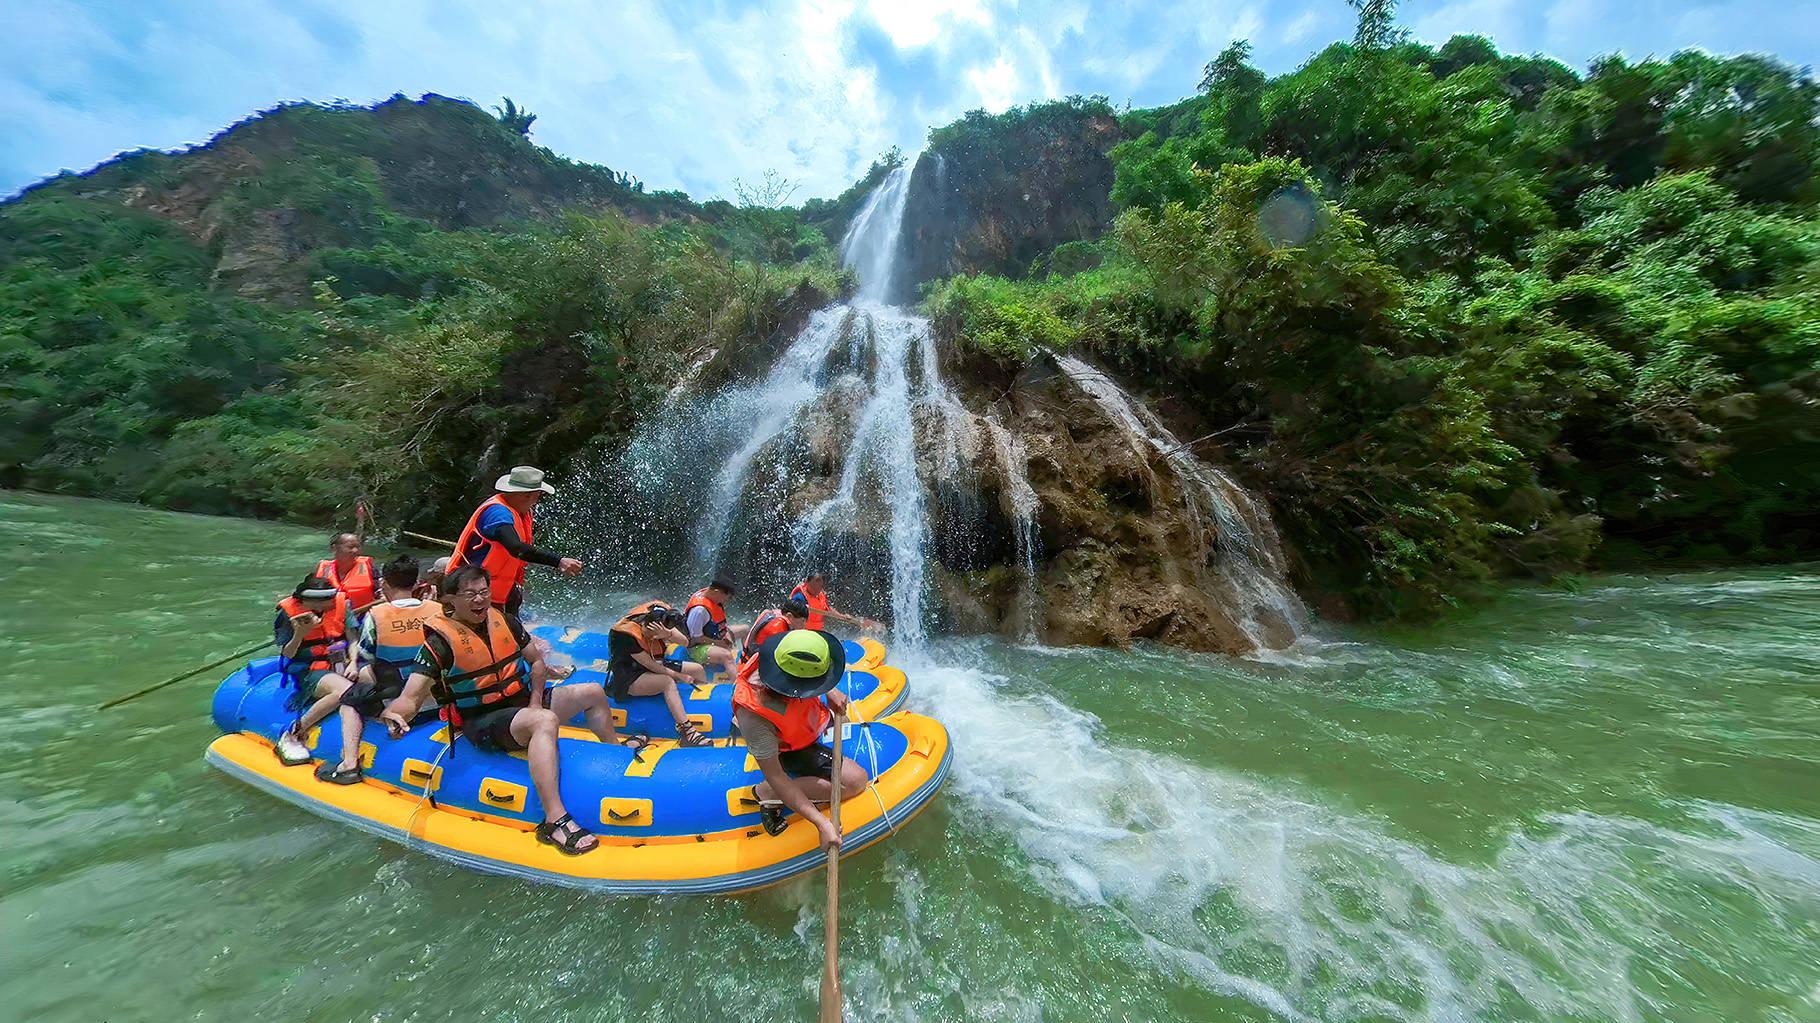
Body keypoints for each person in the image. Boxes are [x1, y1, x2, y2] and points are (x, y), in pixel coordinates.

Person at [379, 566, 622, 855]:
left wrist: (533, 700)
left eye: (484, 592)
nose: (479, 600)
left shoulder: (505, 621)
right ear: (450, 600)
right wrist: (395, 714)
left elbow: (537, 663)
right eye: (470, 594)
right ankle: (554, 819)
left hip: (520, 704)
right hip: (482, 721)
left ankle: (616, 759)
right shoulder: (439, 643)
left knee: (592, 691)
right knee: (543, 720)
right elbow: (412, 696)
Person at [306, 555, 445, 784]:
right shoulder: (438, 610)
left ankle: (349, 764)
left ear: (384, 584)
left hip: (399, 707)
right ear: (417, 583)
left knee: (350, 699)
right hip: (439, 702)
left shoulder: (377, 615)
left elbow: (367, 657)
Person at [735, 629, 868, 848]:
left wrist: (830, 691)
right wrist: (822, 824)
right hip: (788, 747)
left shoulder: (783, 653)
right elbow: (776, 775)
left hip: (805, 726)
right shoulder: (754, 716)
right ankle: (767, 792)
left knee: (842, 726)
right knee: (855, 781)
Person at [446, 465, 583, 618]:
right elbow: (516, 548)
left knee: (511, 628)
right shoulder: (497, 513)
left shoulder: (522, 511)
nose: (538, 500)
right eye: (538, 495)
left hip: (496, 589)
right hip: (470, 591)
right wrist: (559, 561)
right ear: (528, 495)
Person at [271, 575, 360, 767]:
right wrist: (300, 634)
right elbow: (288, 653)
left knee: (372, 680)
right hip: (309, 669)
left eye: (325, 603)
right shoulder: (288, 614)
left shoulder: (341, 605)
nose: (319, 609)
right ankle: (294, 732)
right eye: (314, 603)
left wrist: (353, 662)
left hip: (341, 662)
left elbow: (352, 638)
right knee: (346, 691)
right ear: (302, 600)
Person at [605, 602, 712, 747]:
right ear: (646, 625)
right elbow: (651, 665)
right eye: (650, 635)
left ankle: (704, 706)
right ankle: (687, 732)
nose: (654, 639)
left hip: (655, 664)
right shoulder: (625, 635)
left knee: (697, 669)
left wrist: (667, 634)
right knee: (667, 682)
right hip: (628, 676)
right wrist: (679, 676)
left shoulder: (661, 621)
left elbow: (685, 642)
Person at [684, 576, 746, 674]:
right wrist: (718, 643)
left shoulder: (711, 597)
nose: (727, 601)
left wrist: (726, 635)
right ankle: (738, 686)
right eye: (727, 598)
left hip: (715, 636)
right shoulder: (699, 610)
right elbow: (695, 638)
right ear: (717, 592)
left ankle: (746, 661)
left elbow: (718, 624)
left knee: (745, 630)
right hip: (696, 648)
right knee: (727, 656)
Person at [790, 572, 882, 633]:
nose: (816, 589)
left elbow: (827, 610)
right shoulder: (800, 596)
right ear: (807, 583)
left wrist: (842, 616)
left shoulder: (820, 595)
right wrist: (801, 607)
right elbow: (793, 608)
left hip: (815, 632)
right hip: (801, 632)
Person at [736, 597, 811, 665]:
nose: (804, 626)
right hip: (750, 670)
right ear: (789, 616)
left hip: (750, 660)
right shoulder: (777, 627)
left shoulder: (777, 614)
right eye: (803, 621)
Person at [317, 532, 378, 613]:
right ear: (334, 548)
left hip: (363, 617)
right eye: (350, 547)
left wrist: (352, 614)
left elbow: (383, 598)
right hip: (331, 618)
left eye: (358, 547)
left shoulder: (370, 568)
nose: (355, 551)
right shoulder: (325, 569)